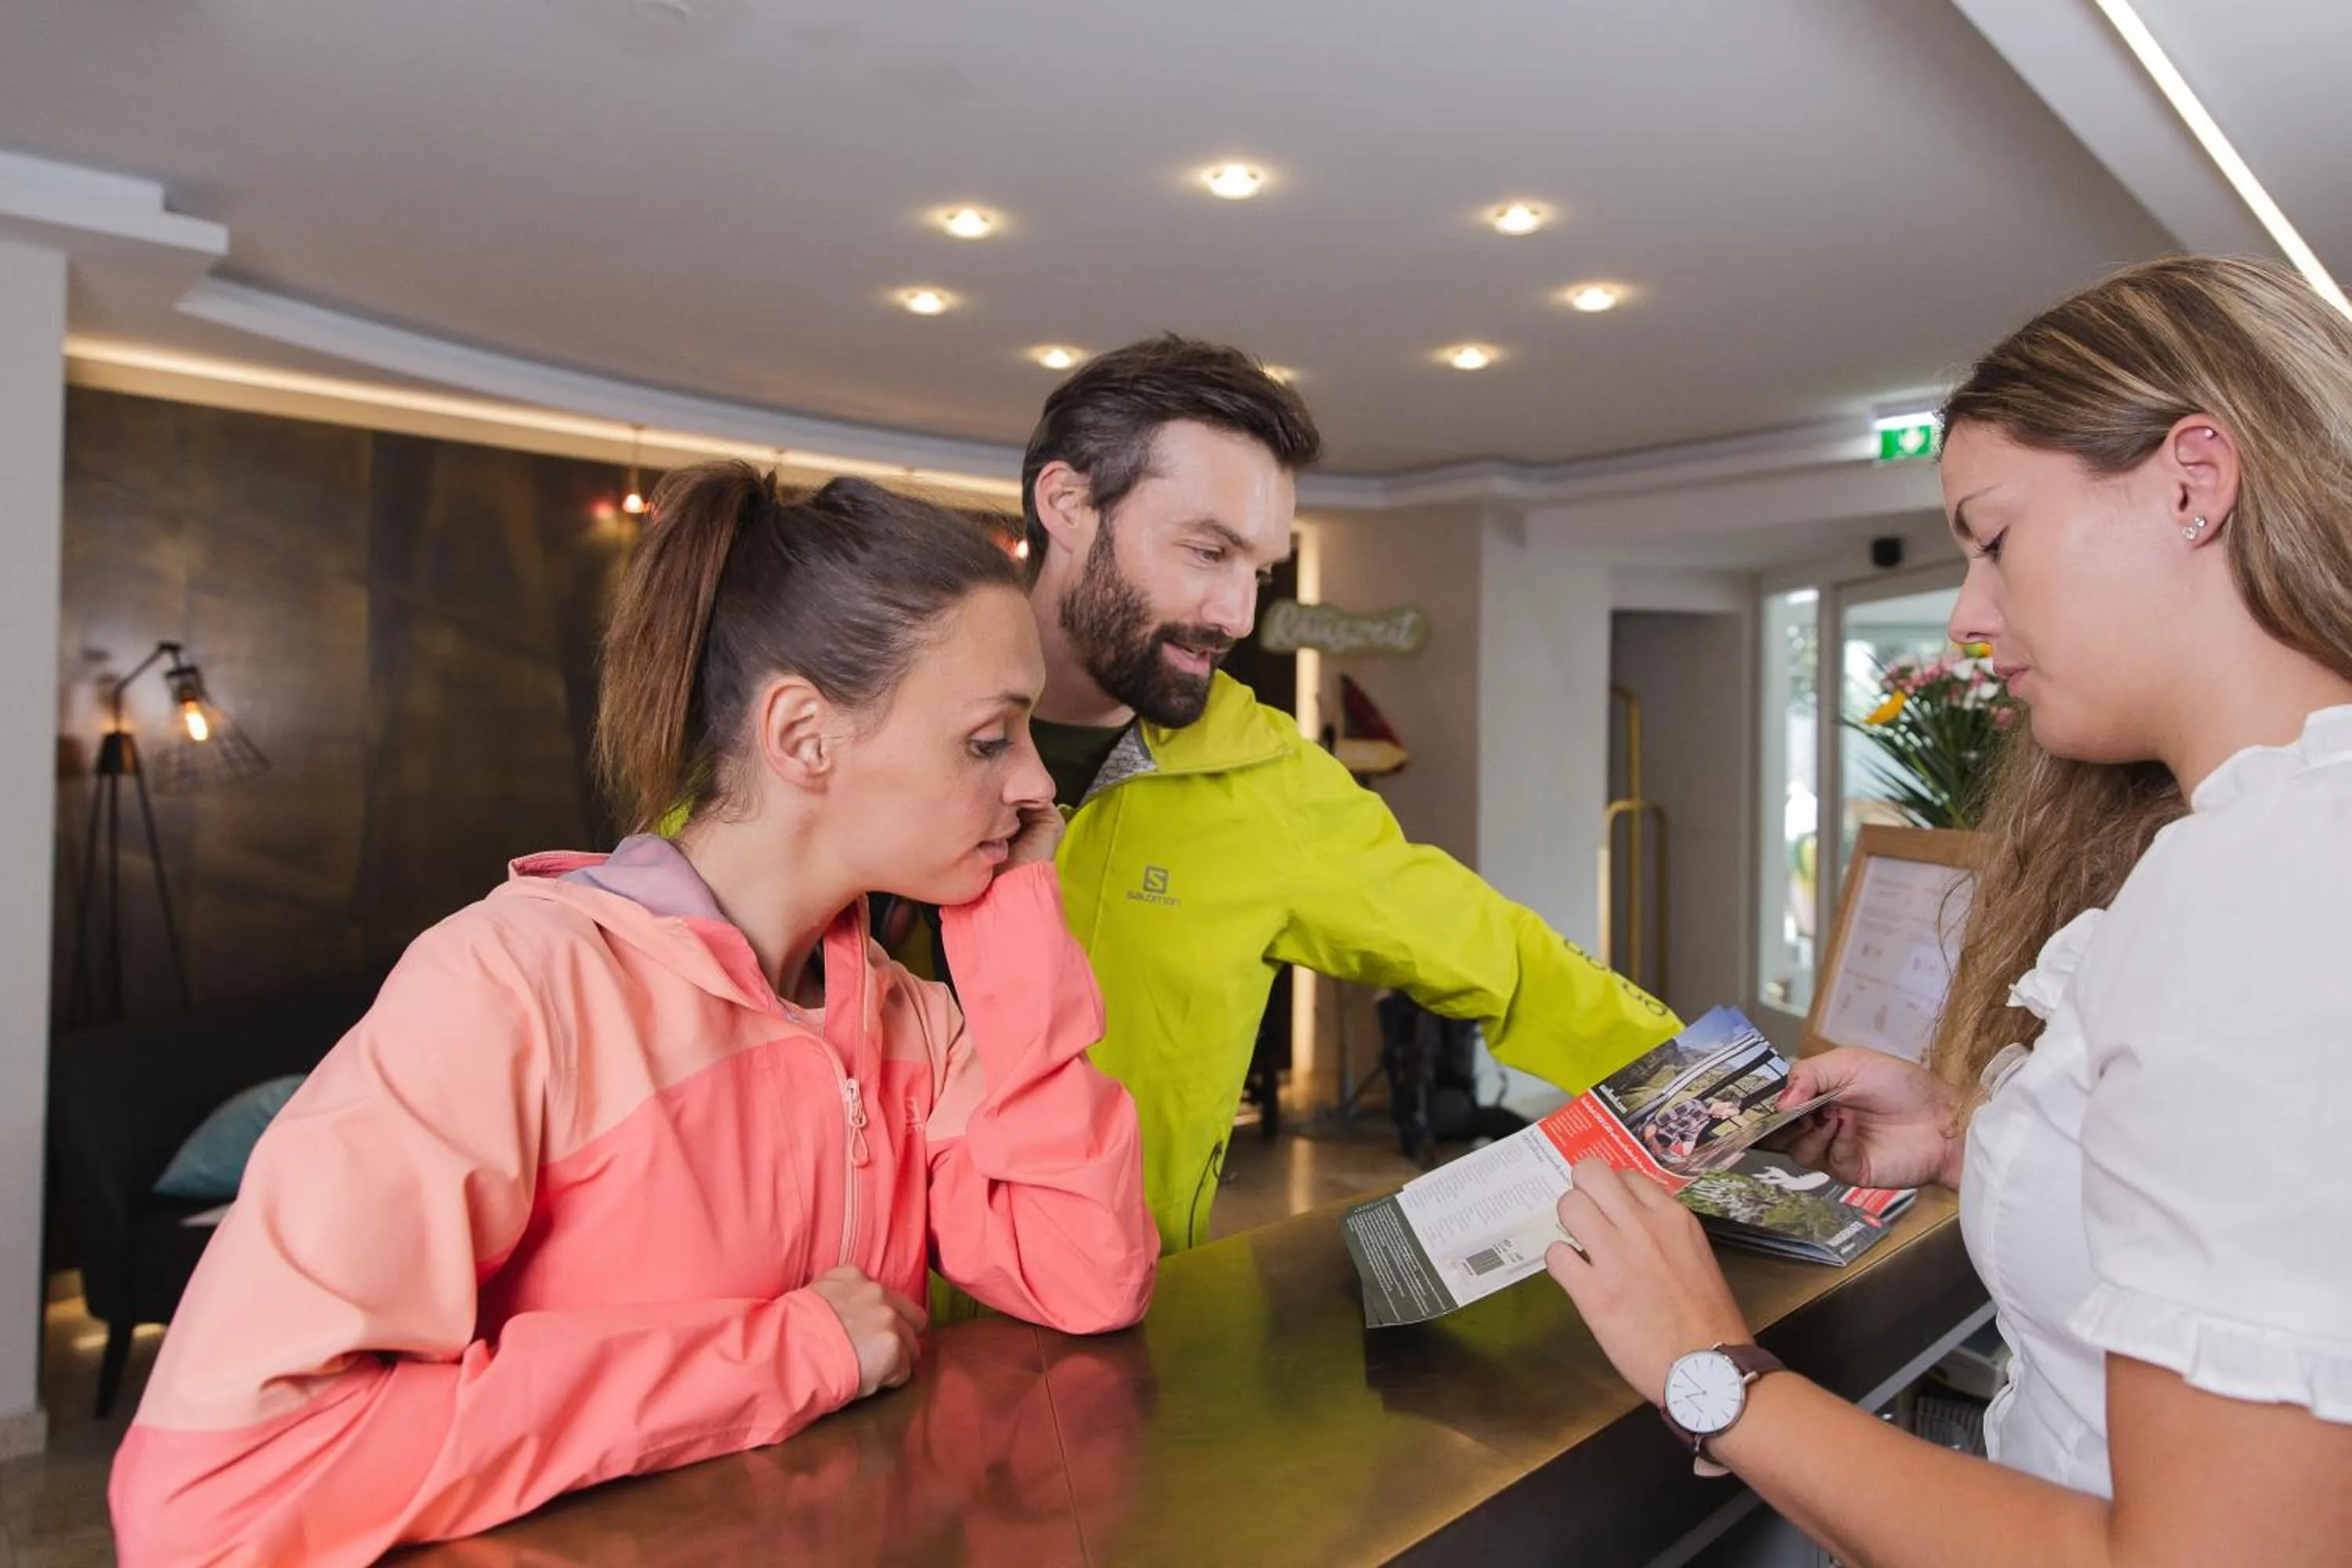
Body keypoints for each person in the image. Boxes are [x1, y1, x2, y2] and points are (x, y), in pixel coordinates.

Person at [109, 466, 1158, 1566]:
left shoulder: (912, 1022)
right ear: (803, 736)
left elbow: (1087, 1276)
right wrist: (782, 1355)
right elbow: (211, 1491)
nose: (1041, 783)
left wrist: (1017, 924)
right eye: (990, 741)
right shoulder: (512, 988)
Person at [1542, 256, 2352, 1563]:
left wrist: (1712, 1369)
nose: (1973, 616)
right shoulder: (2285, 838)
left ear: (2194, 484)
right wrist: (1984, 1137)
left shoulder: (2261, 885)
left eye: (1995, 539)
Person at [1001, 334, 1679, 1250]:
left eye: (1261, 571)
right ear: (1068, 503)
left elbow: (1500, 955)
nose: (1239, 615)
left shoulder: (1268, 780)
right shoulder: (872, 733)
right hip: (848, 1358)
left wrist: (1713, 1096)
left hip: (1115, 1325)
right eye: (1208, 550)